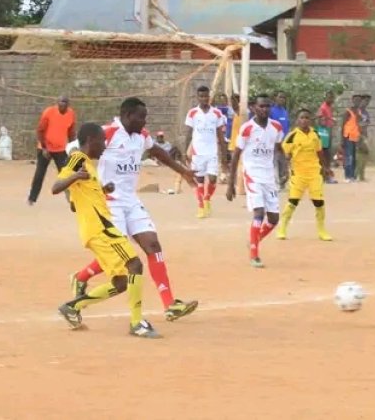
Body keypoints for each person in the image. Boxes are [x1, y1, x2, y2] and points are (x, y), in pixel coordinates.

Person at [67, 99, 199, 320]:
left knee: (153, 245)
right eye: (141, 117)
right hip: (109, 203)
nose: (144, 121)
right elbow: (72, 149)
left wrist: (182, 171)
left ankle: (170, 304)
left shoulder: (141, 136)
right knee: (119, 255)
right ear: (127, 115)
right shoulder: (107, 133)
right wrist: (77, 187)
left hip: (131, 200)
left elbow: (157, 152)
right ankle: (81, 277)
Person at [54, 122, 160, 338]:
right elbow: (56, 186)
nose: (104, 145)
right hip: (100, 228)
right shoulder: (78, 159)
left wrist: (103, 189)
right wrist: (76, 177)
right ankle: (137, 323)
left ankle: (73, 307)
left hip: (100, 227)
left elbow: (80, 199)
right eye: (102, 141)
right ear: (91, 141)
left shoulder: (90, 166)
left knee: (121, 282)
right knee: (135, 264)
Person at [226, 95, 284, 268]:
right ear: (254, 108)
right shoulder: (247, 128)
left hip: (269, 177)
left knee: (274, 218)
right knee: (259, 213)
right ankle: (254, 254)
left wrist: (284, 168)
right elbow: (236, 155)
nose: (264, 109)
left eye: (267, 106)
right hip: (252, 174)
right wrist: (231, 184)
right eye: (261, 106)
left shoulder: (276, 127)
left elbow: (278, 149)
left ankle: (254, 240)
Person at [277, 109, 333, 241]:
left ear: (310, 120)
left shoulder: (315, 135)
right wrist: (285, 169)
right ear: (297, 120)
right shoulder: (292, 136)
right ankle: (282, 227)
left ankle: (322, 230)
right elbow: (284, 153)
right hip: (298, 174)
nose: (304, 120)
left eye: (307, 118)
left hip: (314, 173)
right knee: (293, 201)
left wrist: (325, 167)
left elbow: (319, 152)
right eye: (302, 117)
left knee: (319, 202)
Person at [185, 86, 227, 218]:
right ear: (197, 97)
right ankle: (201, 206)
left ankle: (207, 198)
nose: (204, 98)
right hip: (198, 152)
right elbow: (188, 134)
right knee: (200, 180)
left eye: (206, 96)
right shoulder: (192, 113)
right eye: (201, 96)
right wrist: (185, 152)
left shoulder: (217, 113)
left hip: (212, 152)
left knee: (213, 179)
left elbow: (220, 134)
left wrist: (224, 153)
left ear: (209, 97)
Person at [28, 95, 76, 206]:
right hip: (45, 149)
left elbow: (71, 132)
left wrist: (73, 147)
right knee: (40, 173)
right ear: (57, 102)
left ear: (68, 104)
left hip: (60, 149)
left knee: (66, 174)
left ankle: (71, 199)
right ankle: (32, 198)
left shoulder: (71, 114)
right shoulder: (49, 112)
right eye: (61, 102)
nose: (63, 104)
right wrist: (44, 148)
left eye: (65, 102)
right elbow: (40, 131)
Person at [270, 91, 290, 188]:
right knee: (274, 161)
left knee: (284, 162)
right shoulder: (271, 111)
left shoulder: (285, 111)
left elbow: (287, 126)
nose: (282, 99)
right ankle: (275, 183)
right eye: (280, 97)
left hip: (285, 142)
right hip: (274, 142)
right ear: (275, 98)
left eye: (284, 98)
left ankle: (282, 182)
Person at [316, 91, 337, 184]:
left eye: (332, 98)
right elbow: (320, 119)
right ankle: (325, 176)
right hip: (324, 134)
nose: (330, 99)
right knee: (324, 156)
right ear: (325, 98)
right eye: (329, 97)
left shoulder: (330, 107)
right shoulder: (323, 107)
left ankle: (326, 176)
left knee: (328, 156)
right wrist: (327, 120)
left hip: (328, 133)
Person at [341, 95, 362, 182]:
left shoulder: (358, 112)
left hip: (355, 137)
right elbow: (343, 125)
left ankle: (353, 176)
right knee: (349, 157)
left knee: (354, 157)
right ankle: (347, 176)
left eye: (359, 100)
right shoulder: (348, 112)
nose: (357, 102)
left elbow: (358, 124)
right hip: (348, 137)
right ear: (352, 100)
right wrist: (342, 139)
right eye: (356, 100)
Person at [355, 94, 372, 182]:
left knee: (365, 153)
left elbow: (368, 122)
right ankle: (356, 175)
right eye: (365, 101)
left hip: (364, 134)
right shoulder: (357, 111)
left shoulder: (366, 112)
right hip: (358, 134)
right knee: (359, 154)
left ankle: (361, 175)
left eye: (368, 101)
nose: (366, 103)